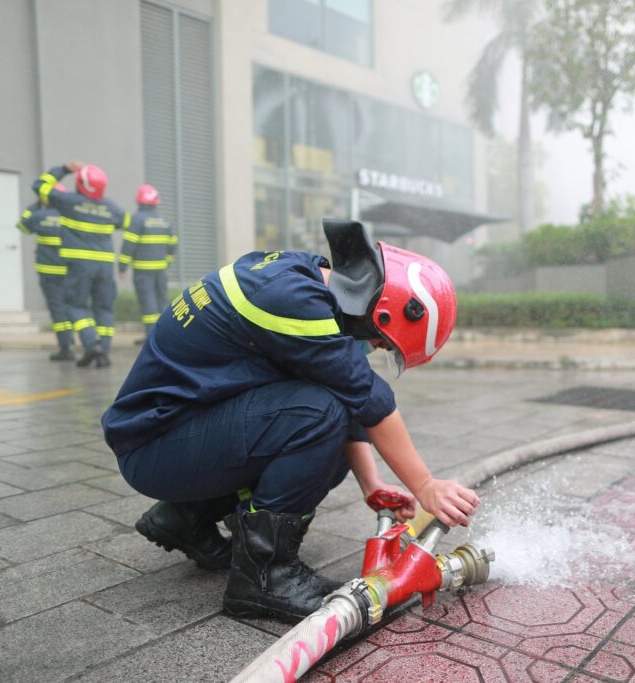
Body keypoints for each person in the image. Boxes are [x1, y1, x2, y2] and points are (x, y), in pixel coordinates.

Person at [100, 220, 480, 622]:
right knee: (317, 415)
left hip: (172, 434)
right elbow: (368, 398)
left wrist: (373, 485)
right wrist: (424, 485)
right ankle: (265, 578)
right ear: (381, 313)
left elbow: (344, 391)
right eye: (381, 342)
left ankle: (186, 517)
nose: (373, 349)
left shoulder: (301, 278)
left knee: (326, 424)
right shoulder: (290, 300)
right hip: (156, 448)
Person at [33, 162, 129, 368]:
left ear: (80, 183)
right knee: (104, 308)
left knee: (75, 306)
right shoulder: (110, 207)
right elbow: (124, 222)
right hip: (105, 266)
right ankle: (103, 353)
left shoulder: (67, 201)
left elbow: (39, 185)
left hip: (79, 266)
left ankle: (90, 344)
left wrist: (65, 169)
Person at [16, 190, 75, 361]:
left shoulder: (40, 215)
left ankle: (65, 348)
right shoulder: (70, 215)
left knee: (57, 310)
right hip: (69, 271)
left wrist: (34, 206)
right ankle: (70, 339)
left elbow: (21, 225)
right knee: (69, 307)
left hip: (48, 272)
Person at [119, 184, 177, 340]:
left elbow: (129, 245)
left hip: (143, 271)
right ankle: (165, 335)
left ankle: (151, 338)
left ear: (139, 201)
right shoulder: (164, 221)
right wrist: (167, 263)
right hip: (160, 271)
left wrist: (122, 267)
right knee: (161, 302)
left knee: (148, 304)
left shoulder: (136, 220)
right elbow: (173, 245)